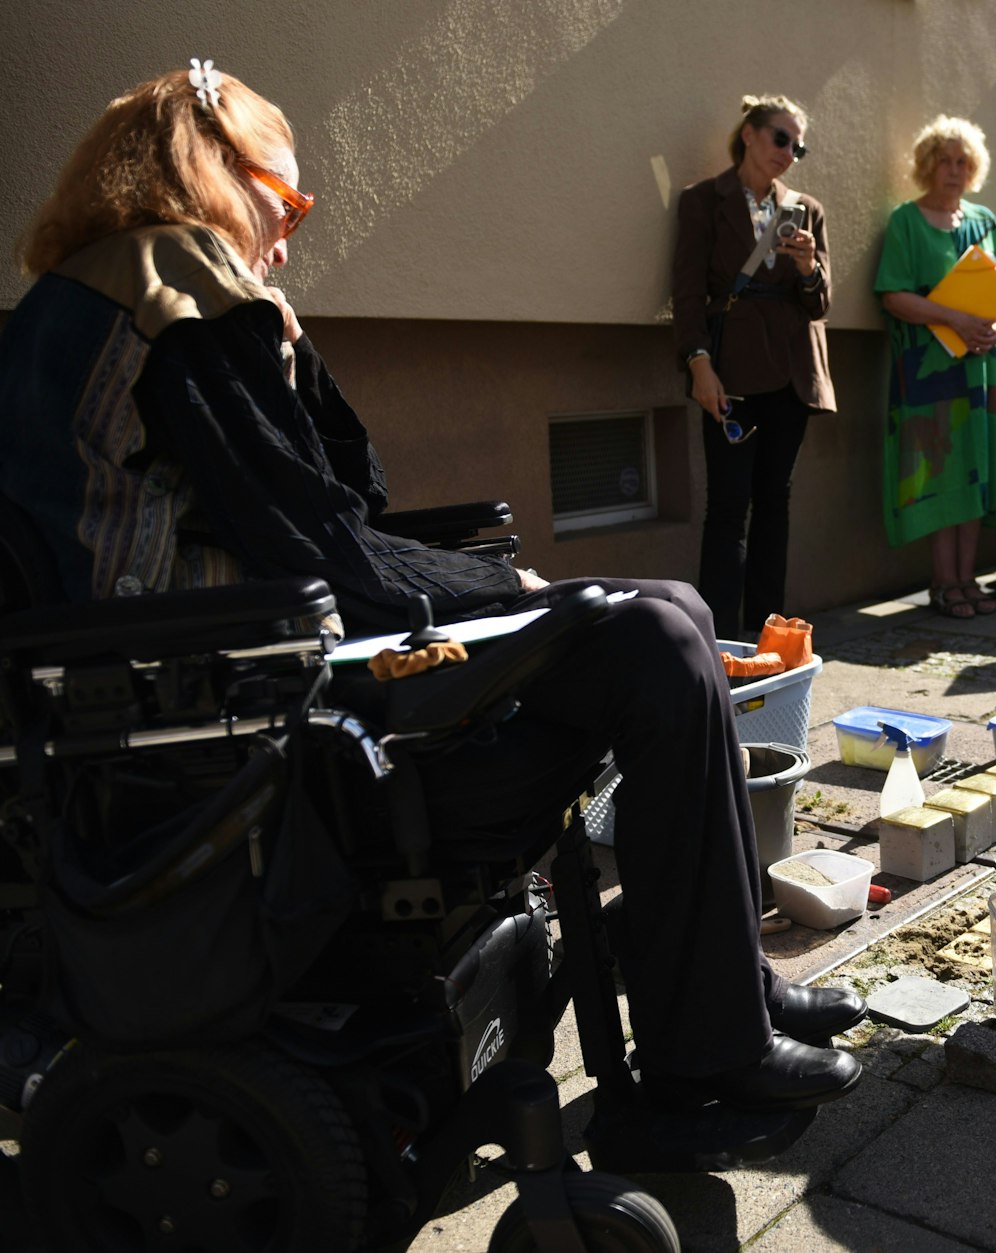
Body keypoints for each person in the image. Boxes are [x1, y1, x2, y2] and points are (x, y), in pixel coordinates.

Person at [0, 65, 863, 1113]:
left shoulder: (148, 290)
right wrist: (514, 587)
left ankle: (723, 984)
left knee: (671, 613)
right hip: (231, 714)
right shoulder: (167, 278)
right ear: (217, 171)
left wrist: (282, 334)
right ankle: (705, 1046)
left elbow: (345, 492)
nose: (291, 231)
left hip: (241, 668)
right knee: (653, 638)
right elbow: (314, 540)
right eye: (291, 200)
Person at [672, 94, 835, 640]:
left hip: (791, 371)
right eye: (780, 138)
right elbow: (689, 293)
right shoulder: (704, 200)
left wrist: (809, 266)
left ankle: (768, 638)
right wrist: (699, 365)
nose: (789, 153)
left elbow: (819, 304)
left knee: (775, 504)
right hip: (732, 370)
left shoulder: (805, 208)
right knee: (728, 505)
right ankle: (715, 641)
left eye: (798, 145)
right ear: (749, 134)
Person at [876, 115, 996, 619]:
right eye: (945, 160)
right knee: (946, 471)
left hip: (986, 366)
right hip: (932, 372)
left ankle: (969, 577)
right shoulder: (906, 221)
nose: (954, 170)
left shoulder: (985, 221)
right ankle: (944, 582)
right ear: (927, 166)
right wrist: (955, 318)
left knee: (979, 469)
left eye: (963, 162)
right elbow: (893, 295)